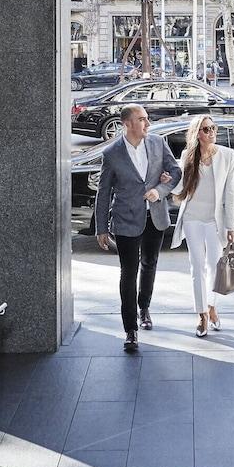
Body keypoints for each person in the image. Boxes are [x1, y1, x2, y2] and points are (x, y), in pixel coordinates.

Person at [93, 104, 181, 353]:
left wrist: (160, 190)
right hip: (125, 219)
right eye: (142, 119)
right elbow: (103, 192)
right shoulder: (112, 153)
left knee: (150, 263)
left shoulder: (157, 143)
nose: (147, 123)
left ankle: (145, 307)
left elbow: (175, 172)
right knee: (128, 272)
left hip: (155, 216)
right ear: (127, 123)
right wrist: (101, 228)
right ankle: (130, 329)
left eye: (147, 119)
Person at [170, 113, 234, 338]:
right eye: (206, 129)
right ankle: (201, 314)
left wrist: (232, 226)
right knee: (196, 265)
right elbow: (180, 188)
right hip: (192, 217)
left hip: (214, 220)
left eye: (213, 128)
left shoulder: (227, 156)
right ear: (197, 133)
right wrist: (166, 182)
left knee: (215, 266)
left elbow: (231, 193)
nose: (211, 132)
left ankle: (211, 306)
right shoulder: (187, 155)